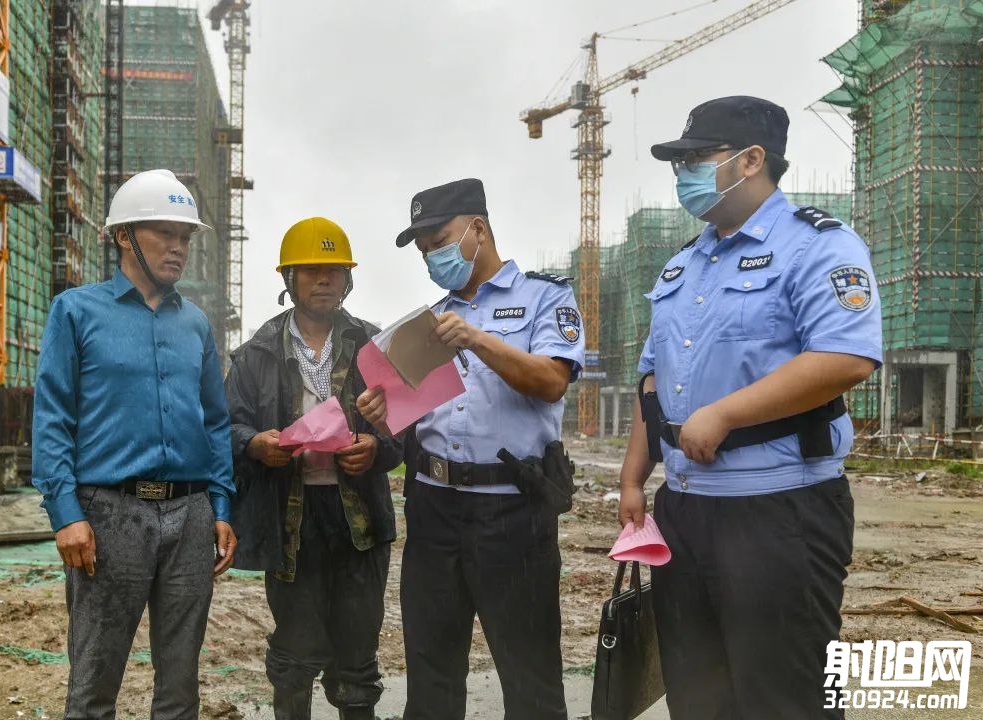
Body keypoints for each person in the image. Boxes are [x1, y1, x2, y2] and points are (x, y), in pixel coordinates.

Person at [616, 96, 883, 719]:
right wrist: (633, 478)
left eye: (695, 160)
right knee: (698, 697)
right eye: (678, 164)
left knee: (787, 697)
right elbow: (652, 381)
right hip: (684, 511)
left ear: (751, 160)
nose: (682, 175)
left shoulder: (818, 246)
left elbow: (847, 357)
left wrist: (727, 414)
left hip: (780, 509)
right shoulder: (682, 266)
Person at [357, 178, 586, 720]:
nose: (431, 258)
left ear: (478, 229)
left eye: (439, 241)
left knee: (530, 678)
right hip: (434, 509)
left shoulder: (544, 297)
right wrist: (383, 416)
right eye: (423, 251)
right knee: (431, 675)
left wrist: (478, 339)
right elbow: (415, 417)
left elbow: (551, 382)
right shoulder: (429, 324)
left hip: (513, 509)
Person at [31, 168, 238, 720]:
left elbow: (216, 422)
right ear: (123, 236)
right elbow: (52, 417)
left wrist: (221, 506)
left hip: (191, 516)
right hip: (108, 515)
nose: (178, 248)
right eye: (164, 233)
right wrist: (65, 513)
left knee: (181, 687)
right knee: (94, 684)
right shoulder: (76, 312)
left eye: (185, 236)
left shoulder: (195, 325)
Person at [224, 217, 401, 720]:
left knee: (357, 658)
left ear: (348, 279)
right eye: (310, 270)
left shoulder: (374, 346)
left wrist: (376, 448)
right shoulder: (257, 353)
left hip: (358, 523)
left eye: (334, 271)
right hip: (290, 521)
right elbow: (226, 427)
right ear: (289, 278)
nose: (324, 279)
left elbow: (404, 430)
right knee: (294, 655)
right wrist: (255, 445)